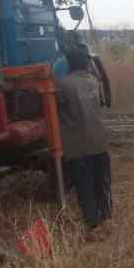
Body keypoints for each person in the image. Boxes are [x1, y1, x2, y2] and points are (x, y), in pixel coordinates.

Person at [57, 44, 111, 229]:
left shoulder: (62, 85)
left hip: (78, 146)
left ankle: (92, 223)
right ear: (86, 63)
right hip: (100, 140)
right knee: (101, 181)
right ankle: (107, 215)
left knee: (84, 186)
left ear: (68, 63)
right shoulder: (93, 81)